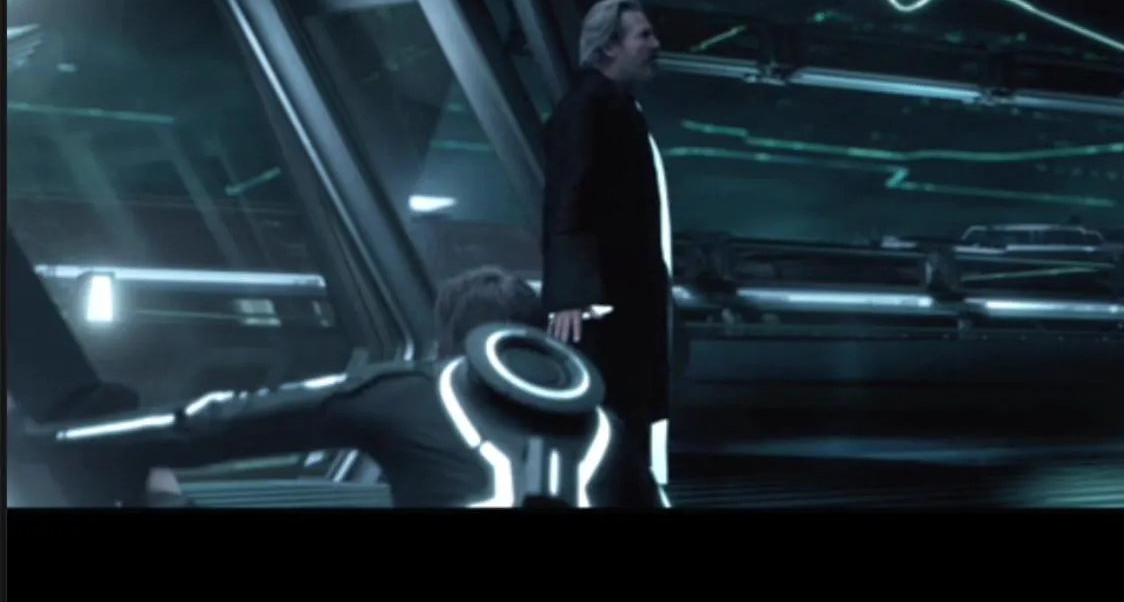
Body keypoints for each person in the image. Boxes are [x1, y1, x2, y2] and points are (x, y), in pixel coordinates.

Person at [11, 266, 666, 508]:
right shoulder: (608, 429)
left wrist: (45, 440)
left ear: (448, 344)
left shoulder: (410, 391)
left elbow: (216, 421)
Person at [542, 0, 672, 483]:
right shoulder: (588, 109)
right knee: (613, 421)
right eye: (643, 35)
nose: (655, 44)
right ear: (609, 47)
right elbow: (567, 199)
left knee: (622, 421)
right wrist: (570, 295)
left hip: (615, 297)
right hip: (606, 303)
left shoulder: (608, 105)